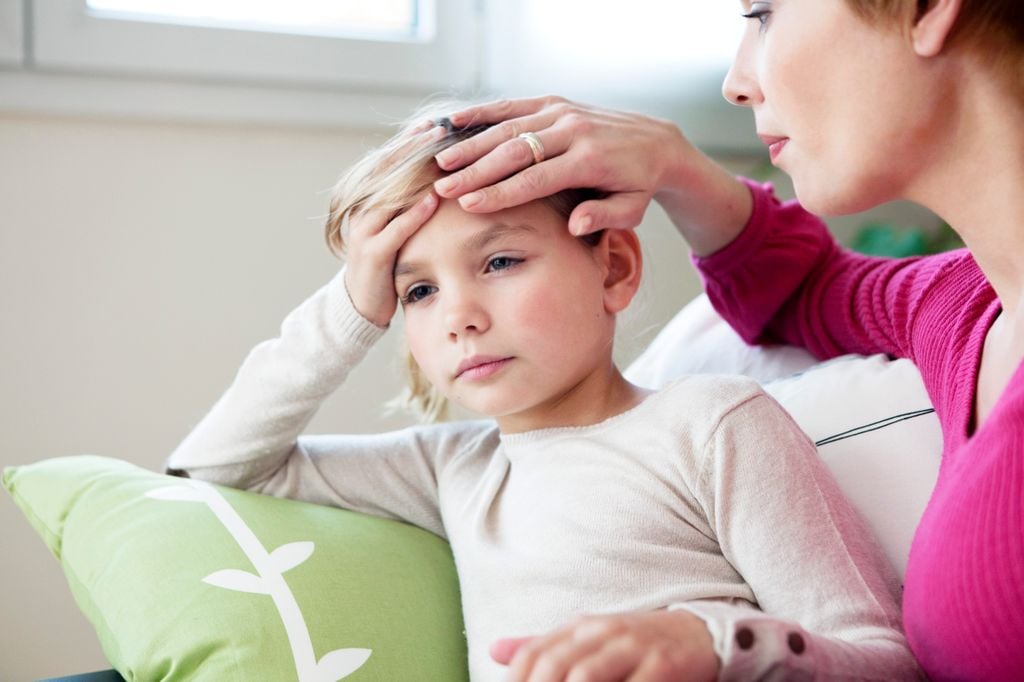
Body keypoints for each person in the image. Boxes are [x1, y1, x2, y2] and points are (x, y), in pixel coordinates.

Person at [164, 104, 920, 681]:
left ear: (614, 268)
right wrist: (353, 305)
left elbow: (883, 660)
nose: (459, 315)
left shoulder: (711, 423)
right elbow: (221, 466)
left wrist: (713, 642)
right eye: (418, 291)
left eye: (499, 262)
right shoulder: (452, 469)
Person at [424, 1, 1024, 679]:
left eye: (763, 14)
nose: (736, 81)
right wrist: (670, 162)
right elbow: (801, 287)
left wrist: (723, 648)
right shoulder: (964, 308)